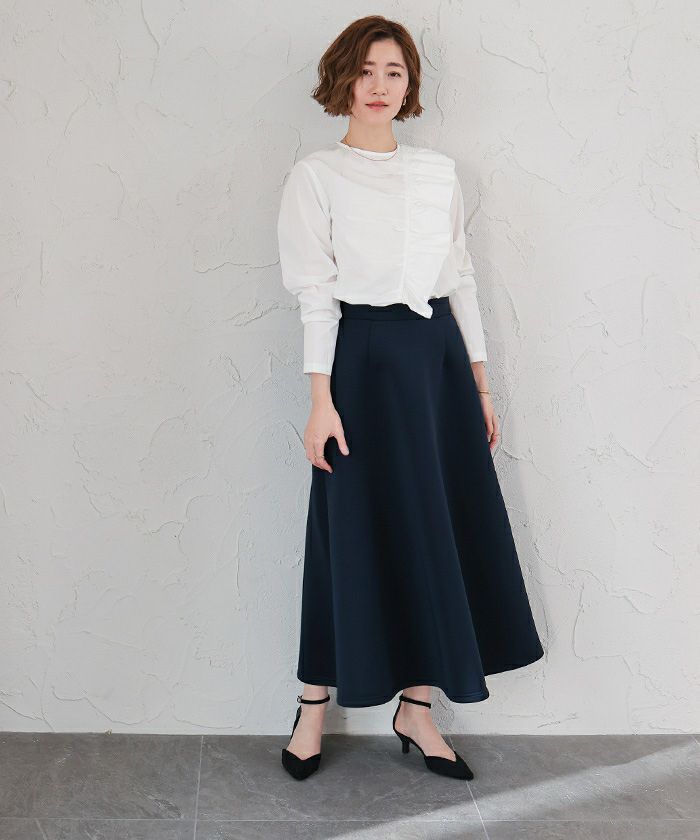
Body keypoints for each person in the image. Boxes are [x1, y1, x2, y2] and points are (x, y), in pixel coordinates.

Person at [276, 15, 544, 782]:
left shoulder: (437, 174)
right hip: (359, 364)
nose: (379, 86)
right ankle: (312, 704)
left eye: (393, 72)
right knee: (345, 529)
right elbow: (316, 296)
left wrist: (481, 385)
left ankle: (417, 708)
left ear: (410, 85)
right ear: (342, 79)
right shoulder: (316, 177)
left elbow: (459, 279)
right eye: (365, 70)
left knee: (436, 527)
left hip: (436, 365)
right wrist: (320, 400)